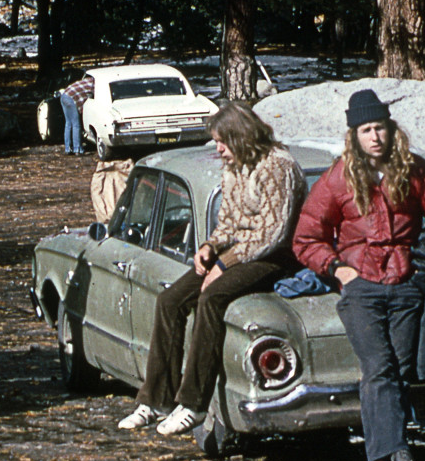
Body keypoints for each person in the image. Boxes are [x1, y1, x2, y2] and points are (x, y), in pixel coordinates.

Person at [292, 89, 425, 461]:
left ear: (392, 130)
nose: (375, 137)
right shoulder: (338, 177)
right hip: (361, 288)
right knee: (379, 367)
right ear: (354, 134)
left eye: (380, 128)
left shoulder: (417, 171)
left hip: (407, 284)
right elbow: (306, 237)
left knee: (399, 371)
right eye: (366, 129)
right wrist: (338, 269)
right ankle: (386, 459)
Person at [119, 102, 306, 436]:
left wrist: (224, 264)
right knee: (171, 300)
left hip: (276, 255)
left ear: (241, 136)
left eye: (223, 141)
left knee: (212, 298)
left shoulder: (278, 166)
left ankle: (193, 402)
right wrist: (210, 248)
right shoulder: (233, 165)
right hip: (238, 252)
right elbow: (230, 221)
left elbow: (273, 233)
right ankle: (155, 398)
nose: (219, 148)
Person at [60, 74, 94, 155]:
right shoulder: (94, 85)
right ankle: (77, 149)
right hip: (71, 98)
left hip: (64, 95)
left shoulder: (87, 80)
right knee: (76, 125)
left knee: (68, 123)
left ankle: (68, 148)